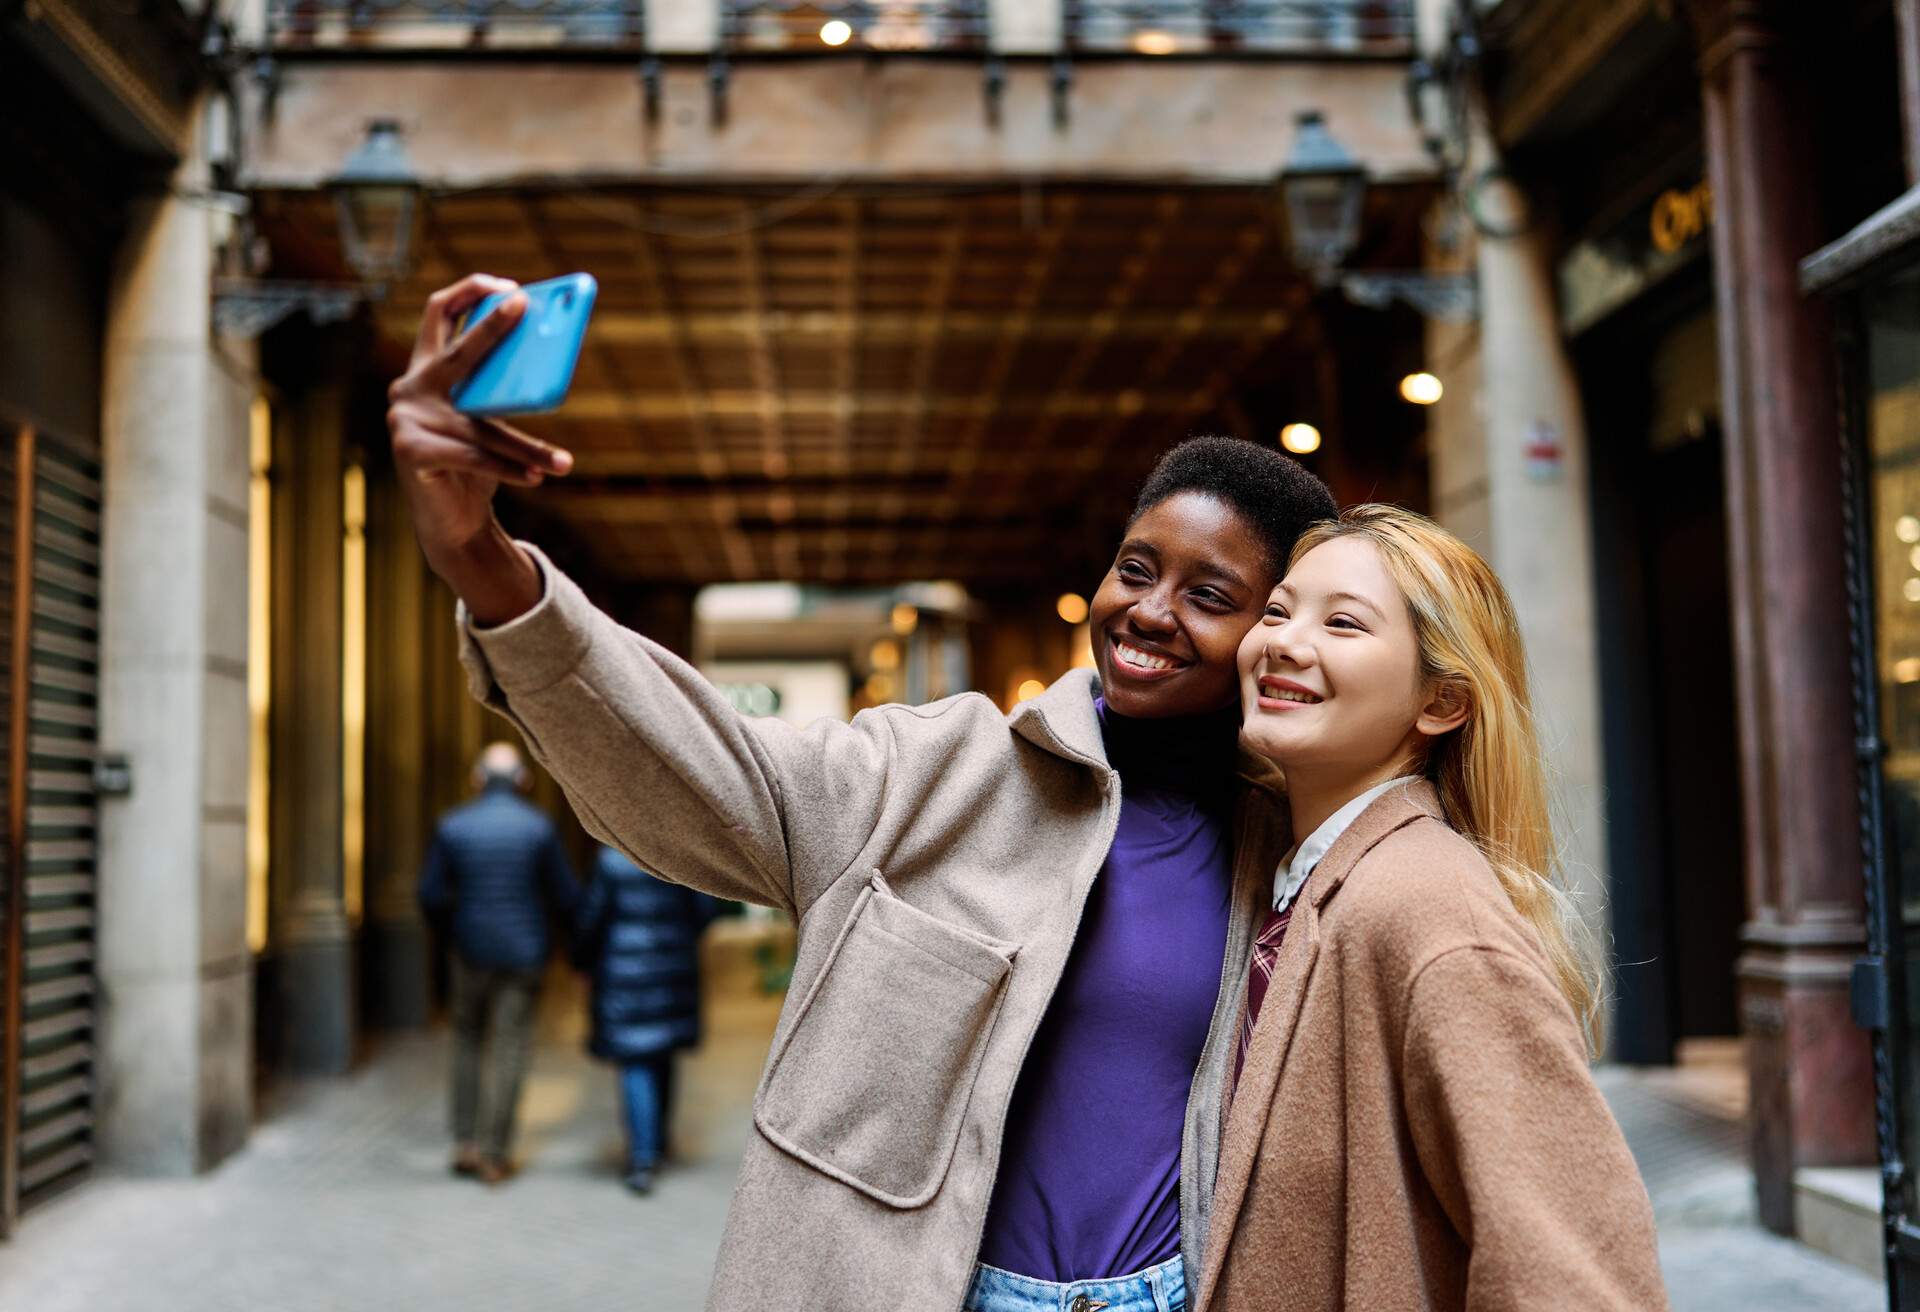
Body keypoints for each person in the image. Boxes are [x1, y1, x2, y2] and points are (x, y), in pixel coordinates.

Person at [386, 273, 1336, 1310]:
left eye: (1210, 595)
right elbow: (697, 764)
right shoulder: (934, 771)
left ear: (1272, 633)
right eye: (1134, 567)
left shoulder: (1286, 845)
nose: (1149, 612)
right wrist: (478, 554)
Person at [1200, 504, 1668, 1311]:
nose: (1283, 640)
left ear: (1442, 704)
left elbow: (1576, 1279)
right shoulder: (1297, 876)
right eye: (1278, 609)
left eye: (1343, 623)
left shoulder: (1430, 913)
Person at [418, 741, 579, 1185]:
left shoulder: (453, 826)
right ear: (524, 781)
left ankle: (465, 1142)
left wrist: (453, 932)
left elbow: (430, 894)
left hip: (469, 952)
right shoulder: (539, 828)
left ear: (478, 778)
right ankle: (495, 1152)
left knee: (467, 1040)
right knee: (511, 1047)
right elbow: (566, 895)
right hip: (524, 955)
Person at [572, 845, 721, 1195]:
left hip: (623, 973)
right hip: (672, 968)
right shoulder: (681, 852)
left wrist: (581, 961)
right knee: (662, 1050)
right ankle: (659, 1142)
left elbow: (590, 917)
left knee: (636, 1057)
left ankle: (642, 1156)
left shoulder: (609, 860)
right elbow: (705, 910)